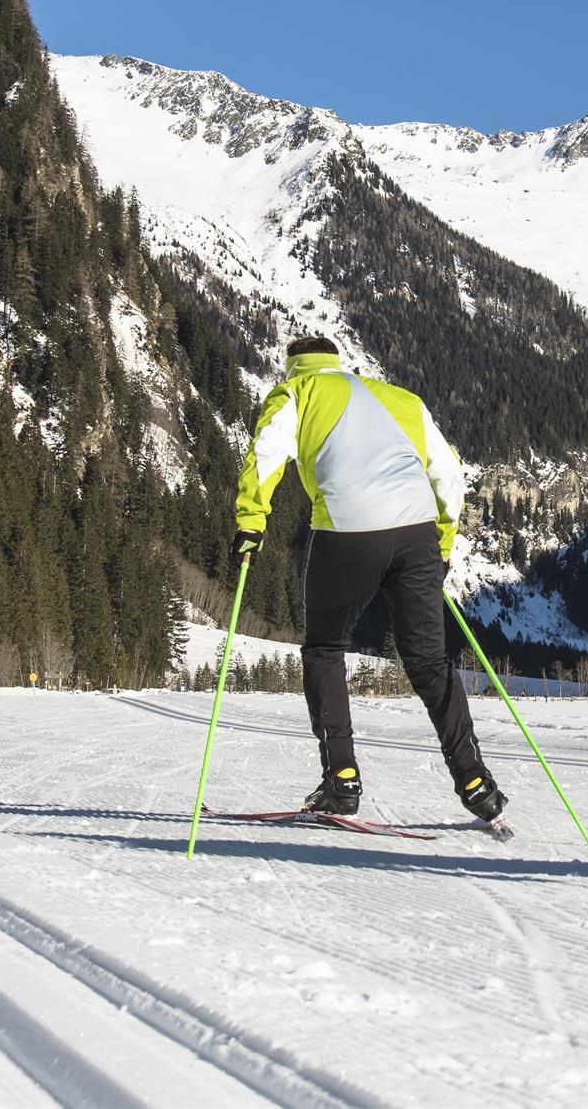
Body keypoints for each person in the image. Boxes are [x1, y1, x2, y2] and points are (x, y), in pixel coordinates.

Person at [232, 335, 506, 824]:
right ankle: (475, 782)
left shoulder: (296, 393)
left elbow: (266, 454)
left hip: (346, 530)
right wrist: (442, 544)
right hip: (417, 532)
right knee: (428, 661)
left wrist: (251, 522)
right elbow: (449, 474)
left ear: (293, 366)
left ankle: (342, 780)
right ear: (337, 362)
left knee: (325, 649)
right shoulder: (400, 398)